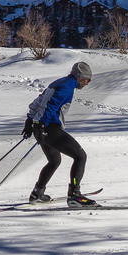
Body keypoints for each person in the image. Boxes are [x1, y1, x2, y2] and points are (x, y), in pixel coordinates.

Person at [23, 60, 95, 205]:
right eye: (87, 80)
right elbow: (52, 105)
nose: (87, 83)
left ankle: (37, 193)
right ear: (80, 77)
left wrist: (30, 121)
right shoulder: (68, 87)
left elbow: (38, 101)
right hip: (49, 128)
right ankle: (75, 195)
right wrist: (43, 124)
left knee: (54, 161)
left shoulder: (58, 82)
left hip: (40, 128)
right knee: (80, 156)